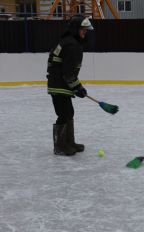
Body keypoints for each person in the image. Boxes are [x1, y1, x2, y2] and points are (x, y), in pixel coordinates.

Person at [46, 15, 93, 156]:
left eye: (86, 30)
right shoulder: (72, 45)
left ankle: (69, 142)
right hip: (59, 84)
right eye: (83, 29)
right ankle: (60, 146)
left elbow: (65, 70)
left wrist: (78, 87)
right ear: (75, 29)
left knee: (69, 113)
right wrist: (77, 87)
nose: (85, 32)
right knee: (63, 114)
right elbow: (68, 73)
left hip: (60, 83)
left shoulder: (68, 41)